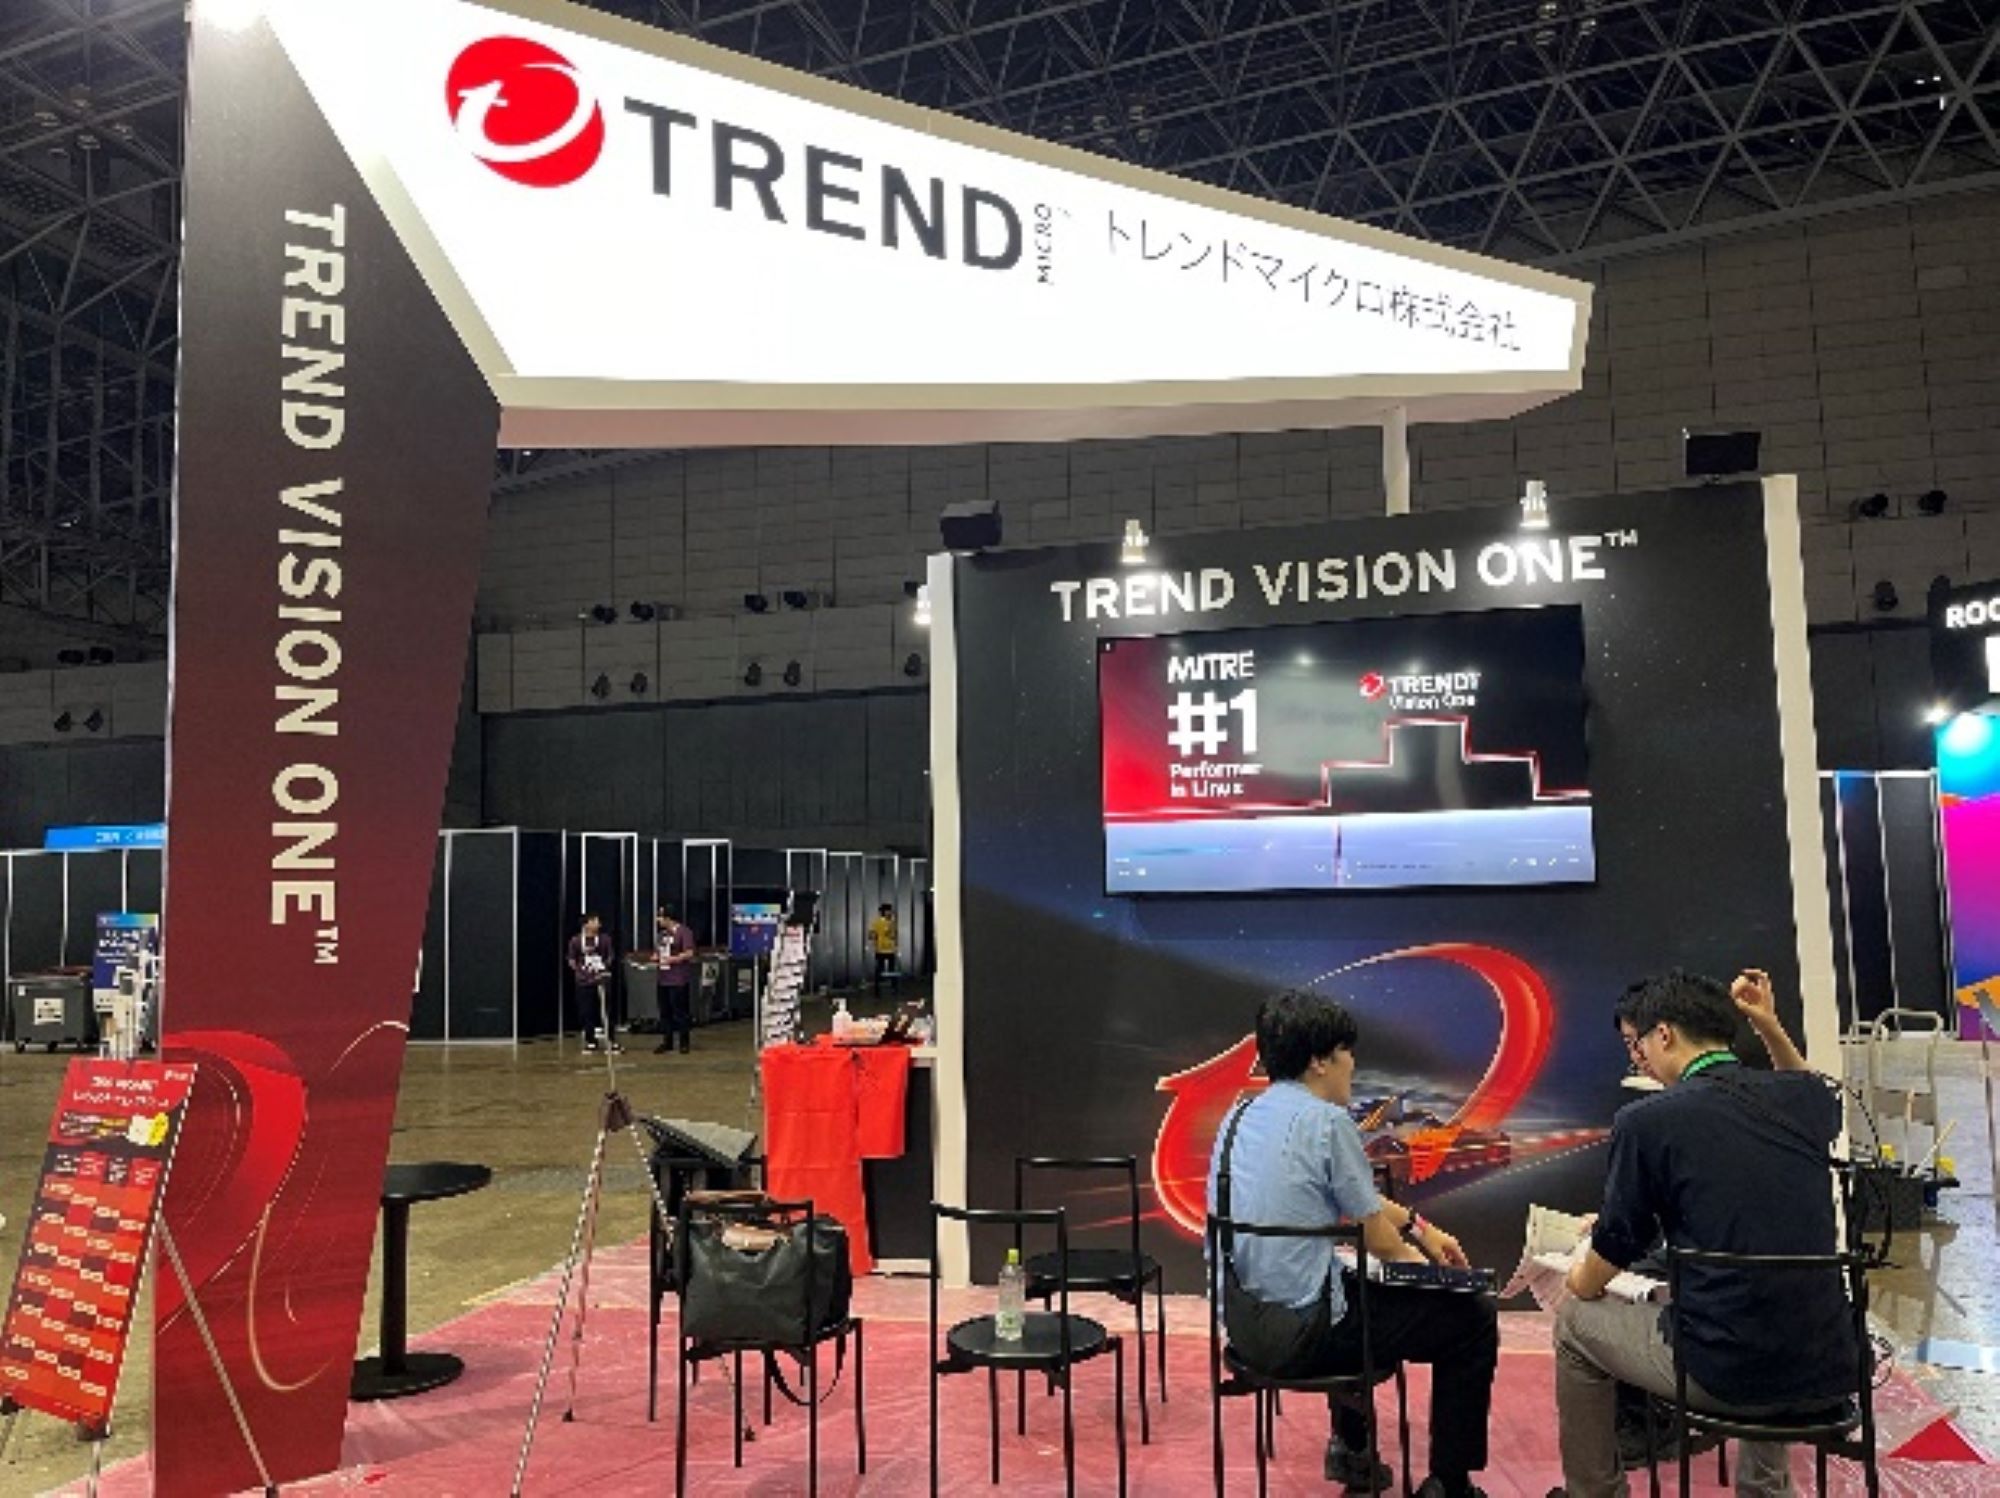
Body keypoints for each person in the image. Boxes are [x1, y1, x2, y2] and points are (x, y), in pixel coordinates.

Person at [1549, 969, 1858, 1498]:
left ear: (1663, 1035)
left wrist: (1576, 1279)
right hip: (1832, 1363)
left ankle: (1594, 1493)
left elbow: (1617, 1243)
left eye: (1639, 1044)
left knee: (1575, 1323)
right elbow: (1812, 1094)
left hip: (1726, 1375)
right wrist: (1769, 1025)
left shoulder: (1647, 1119)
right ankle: (1765, 1490)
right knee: (1760, 1304)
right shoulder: (1802, 1102)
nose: (1639, 1058)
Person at [1207, 991, 1498, 1498]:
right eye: (1347, 1051)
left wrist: (1420, 1227)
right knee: (1472, 1318)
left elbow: (1355, 1200)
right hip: (1309, 1337)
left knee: (1344, 1280)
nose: (1353, 1064)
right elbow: (1381, 1243)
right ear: (1319, 1061)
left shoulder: (1237, 1118)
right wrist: (1438, 1283)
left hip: (1245, 1327)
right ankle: (1451, 1485)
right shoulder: (1328, 1123)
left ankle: (1353, 1449)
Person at [566, 913, 619, 1054]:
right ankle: (590, 1040)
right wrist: (580, 970)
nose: (598, 924)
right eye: (595, 921)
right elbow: (571, 959)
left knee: (606, 1010)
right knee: (586, 1011)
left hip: (602, 979)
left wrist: (603, 967)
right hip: (583, 981)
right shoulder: (576, 941)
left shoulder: (605, 939)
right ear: (586, 924)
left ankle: (611, 1039)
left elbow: (610, 956)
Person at [652, 904, 698, 1055]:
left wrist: (675, 958)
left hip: (678, 978)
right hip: (663, 977)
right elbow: (658, 951)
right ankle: (667, 1041)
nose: (658, 920)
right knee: (665, 1011)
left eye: (660, 917)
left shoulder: (684, 932)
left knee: (680, 1011)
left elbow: (689, 952)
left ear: (668, 918)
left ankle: (684, 1042)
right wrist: (656, 957)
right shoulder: (662, 935)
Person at [868, 902, 898, 997]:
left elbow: (894, 935)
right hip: (880, 949)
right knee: (880, 969)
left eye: (890, 911)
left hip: (890, 949)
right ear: (884, 912)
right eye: (888, 911)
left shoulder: (892, 922)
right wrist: (875, 938)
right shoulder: (877, 922)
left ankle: (893, 988)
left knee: (891, 969)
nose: (890, 913)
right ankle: (878, 990)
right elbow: (871, 935)